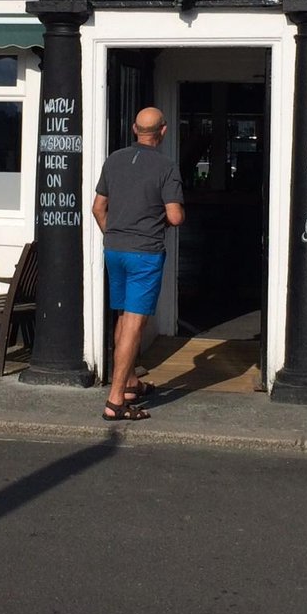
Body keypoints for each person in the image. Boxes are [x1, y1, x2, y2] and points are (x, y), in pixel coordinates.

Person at [92, 106, 184, 422]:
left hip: (114, 249)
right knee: (135, 321)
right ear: (164, 130)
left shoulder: (113, 159)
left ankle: (130, 382)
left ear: (135, 129)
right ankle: (116, 400)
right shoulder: (167, 167)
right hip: (144, 251)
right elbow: (174, 215)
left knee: (123, 315)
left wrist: (114, 233)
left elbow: (97, 207)